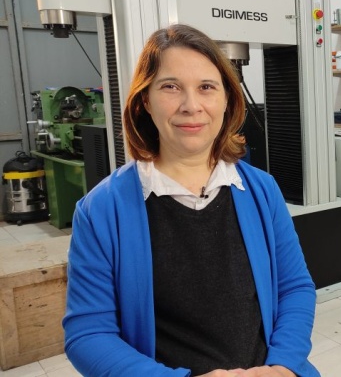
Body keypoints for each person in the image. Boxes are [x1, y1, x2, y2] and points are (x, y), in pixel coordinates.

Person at [63, 24, 319, 377]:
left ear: (227, 99)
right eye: (170, 87)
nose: (191, 106)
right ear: (145, 101)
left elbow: (295, 288)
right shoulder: (102, 210)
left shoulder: (262, 190)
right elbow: (88, 334)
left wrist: (282, 366)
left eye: (206, 87)